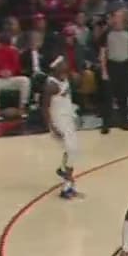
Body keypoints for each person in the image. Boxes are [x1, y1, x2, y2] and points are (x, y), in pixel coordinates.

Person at [41, 57, 82, 199]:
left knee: (73, 151)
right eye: (63, 64)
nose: (66, 66)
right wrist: (51, 126)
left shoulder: (65, 78)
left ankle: (65, 176)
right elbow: (44, 108)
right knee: (71, 150)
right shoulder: (51, 85)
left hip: (68, 118)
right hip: (58, 121)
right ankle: (66, 184)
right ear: (56, 67)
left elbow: (78, 84)